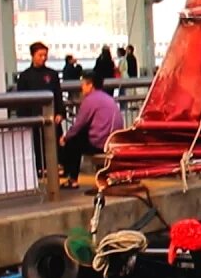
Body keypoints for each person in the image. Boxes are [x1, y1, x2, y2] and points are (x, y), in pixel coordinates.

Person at [58, 73, 124, 188]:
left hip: (100, 143)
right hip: (113, 140)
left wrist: (65, 137)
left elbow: (79, 124)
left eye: (83, 84)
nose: (81, 87)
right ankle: (67, 172)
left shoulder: (90, 100)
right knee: (78, 137)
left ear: (90, 85)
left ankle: (71, 177)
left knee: (73, 141)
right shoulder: (107, 98)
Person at [16, 42, 65, 173]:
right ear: (32, 56)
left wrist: (60, 112)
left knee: (54, 142)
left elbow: (58, 95)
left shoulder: (52, 74)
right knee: (36, 143)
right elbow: (21, 99)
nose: (43, 58)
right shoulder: (25, 76)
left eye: (45, 55)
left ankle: (56, 165)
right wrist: (23, 119)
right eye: (40, 55)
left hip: (51, 115)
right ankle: (38, 167)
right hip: (33, 115)